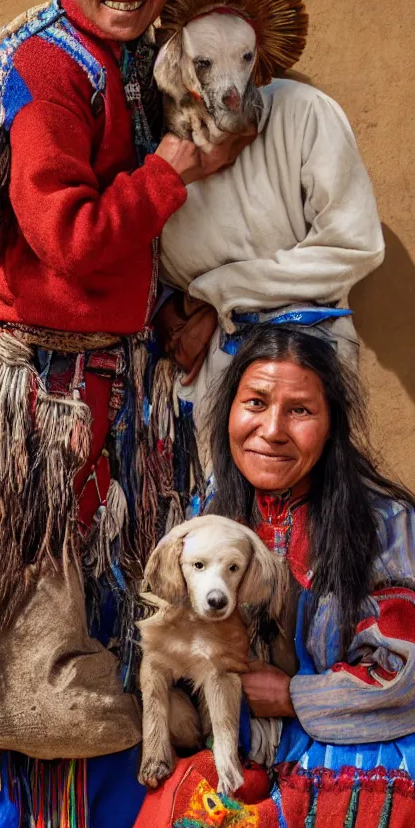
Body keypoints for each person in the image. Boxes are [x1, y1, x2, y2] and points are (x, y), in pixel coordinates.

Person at [0, 0, 245, 828]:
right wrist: (174, 166)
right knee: (42, 635)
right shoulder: (44, 71)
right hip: (48, 413)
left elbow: (105, 260)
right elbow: (68, 236)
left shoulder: (120, 72)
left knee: (98, 621)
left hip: (103, 391)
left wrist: (165, 315)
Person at [134, 324, 415, 827]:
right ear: (230, 413)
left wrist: (291, 696)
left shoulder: (384, 524)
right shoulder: (207, 515)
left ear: (331, 425)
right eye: (256, 403)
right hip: (235, 743)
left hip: (348, 746)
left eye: (300, 410)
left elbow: (404, 669)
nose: (272, 430)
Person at [155, 0, 385, 437]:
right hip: (197, 374)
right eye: (205, 63)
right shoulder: (157, 150)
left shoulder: (305, 114)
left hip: (308, 358)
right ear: (179, 66)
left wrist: (219, 298)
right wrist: (176, 315)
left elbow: (353, 246)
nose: (231, 88)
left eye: (242, 60)